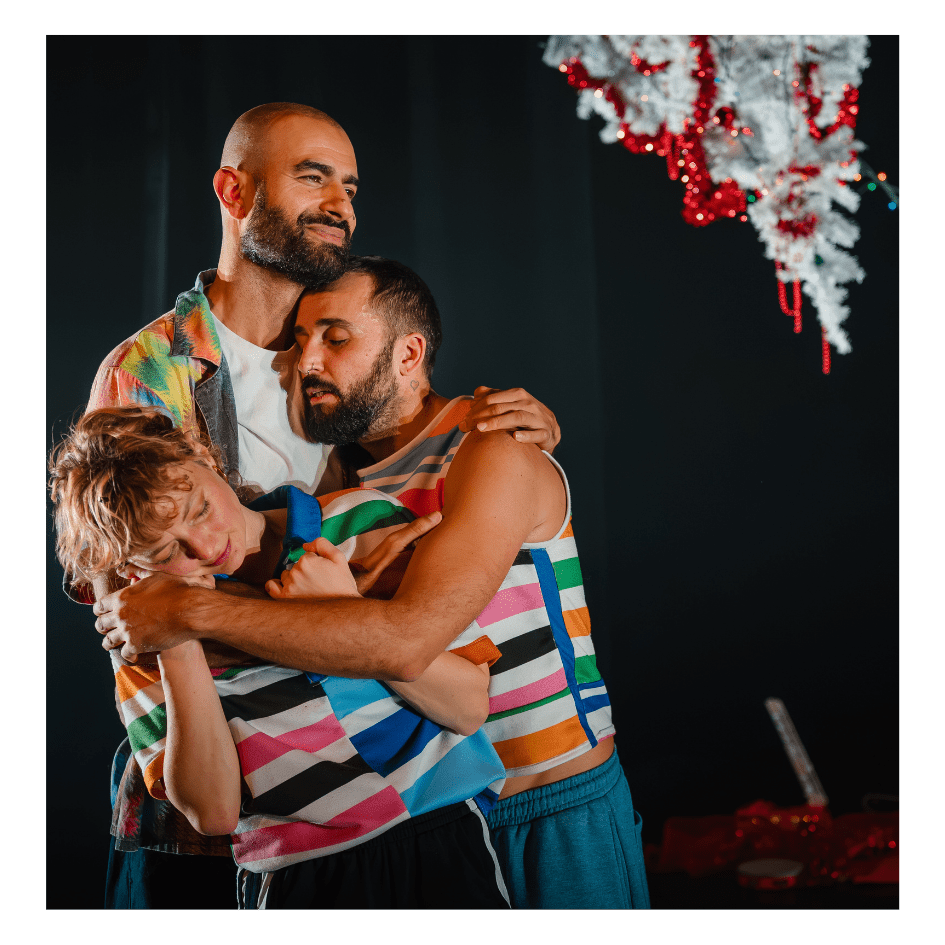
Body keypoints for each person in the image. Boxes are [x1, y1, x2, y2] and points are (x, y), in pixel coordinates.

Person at [83, 101, 560, 908]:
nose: (340, 204)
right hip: (235, 805)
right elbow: (132, 598)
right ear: (234, 191)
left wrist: (517, 426)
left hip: (392, 776)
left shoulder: (337, 355)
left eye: (349, 186)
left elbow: (413, 491)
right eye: (313, 178)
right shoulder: (152, 370)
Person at [96, 256, 651, 909]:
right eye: (300, 341)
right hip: (439, 817)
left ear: (409, 352)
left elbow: (406, 642)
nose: (306, 362)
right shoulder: (345, 492)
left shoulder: (491, 444)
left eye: (336, 338)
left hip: (551, 803)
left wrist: (188, 614)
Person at [52, 405, 511, 909]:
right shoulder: (140, 635)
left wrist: (341, 608)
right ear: (130, 567)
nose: (204, 547)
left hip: (442, 838)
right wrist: (177, 641)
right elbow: (214, 812)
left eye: (200, 509)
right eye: (165, 553)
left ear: (205, 457)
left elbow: (468, 706)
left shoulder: (360, 520)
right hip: (295, 876)